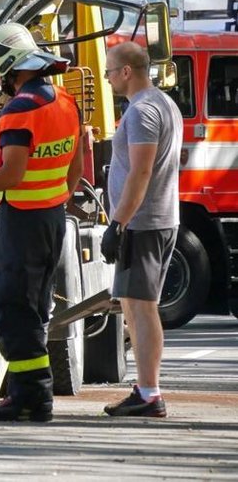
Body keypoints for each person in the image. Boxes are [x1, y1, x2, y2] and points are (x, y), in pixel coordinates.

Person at [0, 22, 83, 422]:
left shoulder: (20, 110)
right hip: (52, 217)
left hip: (23, 219)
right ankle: (31, 393)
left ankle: (32, 397)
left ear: (10, 67)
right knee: (35, 306)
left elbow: (11, 174)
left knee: (11, 305)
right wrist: (54, 197)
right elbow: (74, 169)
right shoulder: (63, 100)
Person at [100, 41, 182, 418]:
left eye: (110, 71)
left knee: (141, 308)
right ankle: (145, 388)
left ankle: (149, 393)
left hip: (143, 221)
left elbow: (142, 171)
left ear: (127, 72)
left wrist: (119, 222)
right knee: (136, 307)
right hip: (157, 218)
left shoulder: (141, 112)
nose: (108, 77)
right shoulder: (164, 104)